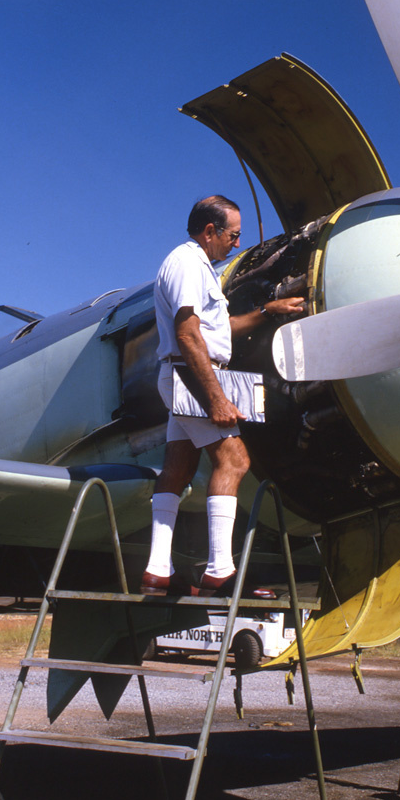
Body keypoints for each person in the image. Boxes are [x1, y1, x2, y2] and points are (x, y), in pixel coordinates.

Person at [141, 195, 304, 597]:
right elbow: (188, 334)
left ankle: (157, 571)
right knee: (235, 460)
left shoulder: (200, 269)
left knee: (177, 468)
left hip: (184, 374)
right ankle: (221, 572)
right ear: (210, 230)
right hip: (192, 374)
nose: (236, 244)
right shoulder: (185, 264)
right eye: (233, 235)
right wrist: (214, 398)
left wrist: (268, 311)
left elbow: (218, 327)